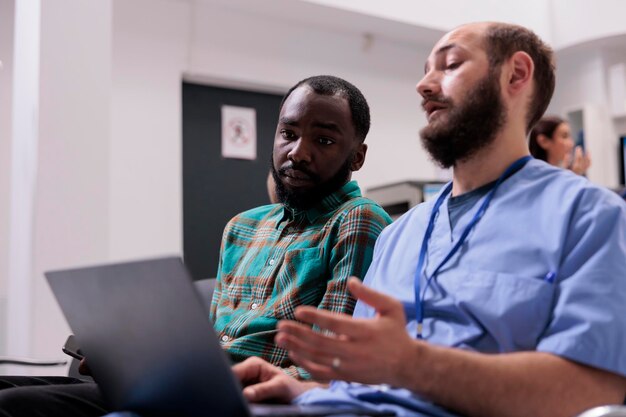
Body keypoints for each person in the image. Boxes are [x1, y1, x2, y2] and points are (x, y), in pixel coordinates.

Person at [232, 22, 626, 417]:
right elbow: (363, 381)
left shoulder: (589, 216)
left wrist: (414, 364)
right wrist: (302, 390)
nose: (424, 85)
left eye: (450, 64)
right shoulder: (400, 234)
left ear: (515, 74)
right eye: (425, 70)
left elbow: (592, 389)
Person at [0, 75, 392, 417]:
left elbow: (329, 360)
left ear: (356, 156)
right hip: (192, 387)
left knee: (16, 406)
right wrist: (137, 361)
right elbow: (215, 338)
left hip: (255, 397)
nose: (298, 152)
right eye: (288, 134)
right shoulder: (242, 227)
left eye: (323, 140)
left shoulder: (357, 219)